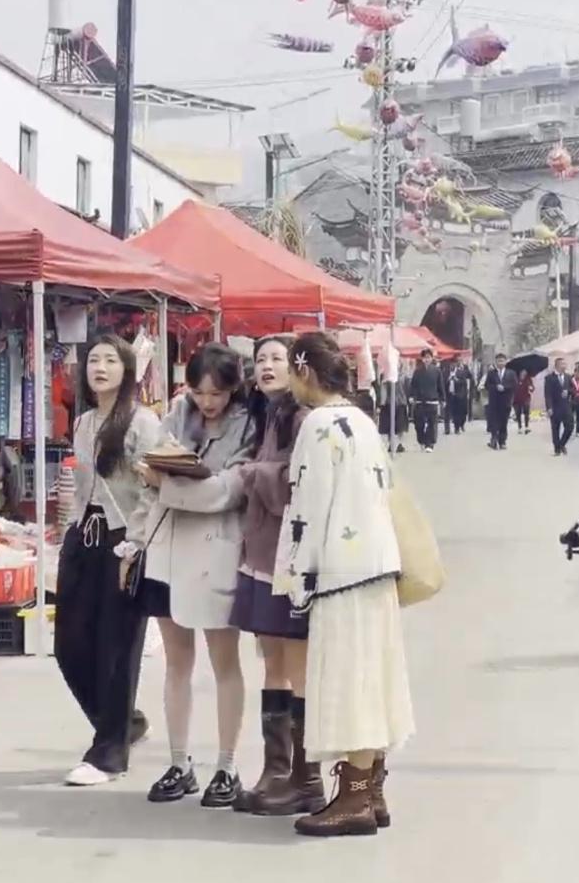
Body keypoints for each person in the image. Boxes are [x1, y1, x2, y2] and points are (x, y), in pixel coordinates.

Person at [274, 332, 414, 837]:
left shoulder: (316, 424)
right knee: (373, 677)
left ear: (304, 371)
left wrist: (297, 578)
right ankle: (370, 788)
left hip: (339, 570)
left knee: (348, 681)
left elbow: (307, 510)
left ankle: (353, 797)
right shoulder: (362, 420)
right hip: (377, 566)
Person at [139, 344, 254, 808]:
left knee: (225, 661)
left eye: (218, 393)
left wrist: (165, 485)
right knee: (176, 662)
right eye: (200, 391)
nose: (208, 402)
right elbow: (146, 470)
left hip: (215, 551)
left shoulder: (248, 424)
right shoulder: (174, 415)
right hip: (166, 550)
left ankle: (227, 765)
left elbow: (225, 492)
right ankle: (179, 761)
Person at [55, 334, 161, 787]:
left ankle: (108, 753)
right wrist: (68, 534)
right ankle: (124, 722)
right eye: (93, 360)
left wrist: (134, 545)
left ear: (127, 370)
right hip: (84, 536)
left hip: (123, 541)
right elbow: (81, 488)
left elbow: (151, 489)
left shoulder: (142, 421)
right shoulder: (82, 423)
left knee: (116, 648)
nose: (99, 367)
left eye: (109, 360)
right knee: (69, 645)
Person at [228, 336, 325, 816]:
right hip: (262, 553)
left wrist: (249, 475)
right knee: (272, 662)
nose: (266, 366)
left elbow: (293, 484)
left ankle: (303, 779)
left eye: (276, 359)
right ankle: (277, 769)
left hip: (288, 559)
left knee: (294, 664)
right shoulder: (266, 414)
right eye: (260, 359)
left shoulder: (304, 419)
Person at [410, 348, 445, 453]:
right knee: (419, 423)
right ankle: (421, 440)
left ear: (432, 358)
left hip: (432, 400)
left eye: (428, 357)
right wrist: (412, 396)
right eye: (425, 358)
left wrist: (443, 399)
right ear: (422, 359)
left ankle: (430, 444)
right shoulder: (417, 371)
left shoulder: (437, 371)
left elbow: (440, 386)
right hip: (420, 401)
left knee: (432, 423)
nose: (427, 359)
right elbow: (413, 386)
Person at [485, 353, 518, 450]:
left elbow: (514, 386)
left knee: (504, 422)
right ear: (495, 362)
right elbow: (487, 385)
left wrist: (505, 387)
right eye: (498, 361)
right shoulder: (491, 373)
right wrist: (496, 387)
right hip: (494, 401)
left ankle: (502, 441)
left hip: (506, 401)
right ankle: (494, 439)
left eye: (502, 361)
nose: (500, 363)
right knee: (494, 421)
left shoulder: (511, 373)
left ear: (506, 362)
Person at [544, 358, 575, 456]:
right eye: (562, 364)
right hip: (555, 407)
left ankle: (562, 444)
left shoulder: (568, 377)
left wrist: (568, 392)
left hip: (566, 407)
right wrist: (549, 408)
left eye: (565, 364)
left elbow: (574, 390)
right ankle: (557, 449)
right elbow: (547, 394)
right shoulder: (549, 378)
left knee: (570, 426)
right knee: (555, 429)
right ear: (557, 365)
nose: (564, 366)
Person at [378, 367, 409, 453]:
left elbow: (407, 389)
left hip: (400, 402)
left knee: (400, 426)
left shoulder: (403, 376)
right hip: (388, 402)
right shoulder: (385, 376)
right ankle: (391, 443)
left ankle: (399, 443)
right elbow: (382, 389)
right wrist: (381, 403)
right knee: (389, 426)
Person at [446, 361, 472, 435]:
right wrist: (448, 379)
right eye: (450, 364)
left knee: (460, 412)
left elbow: (464, 382)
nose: (451, 366)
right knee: (453, 413)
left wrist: (455, 379)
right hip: (450, 395)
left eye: (453, 364)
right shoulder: (447, 372)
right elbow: (443, 382)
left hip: (459, 395)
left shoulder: (461, 372)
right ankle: (453, 428)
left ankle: (460, 425)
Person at [513, 369, 534, 434]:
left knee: (526, 412)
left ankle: (526, 427)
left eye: (525, 371)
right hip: (516, 399)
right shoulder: (515, 378)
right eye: (523, 371)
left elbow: (532, 388)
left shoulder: (528, 379)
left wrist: (531, 388)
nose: (524, 372)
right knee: (518, 413)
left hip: (526, 398)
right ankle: (519, 427)